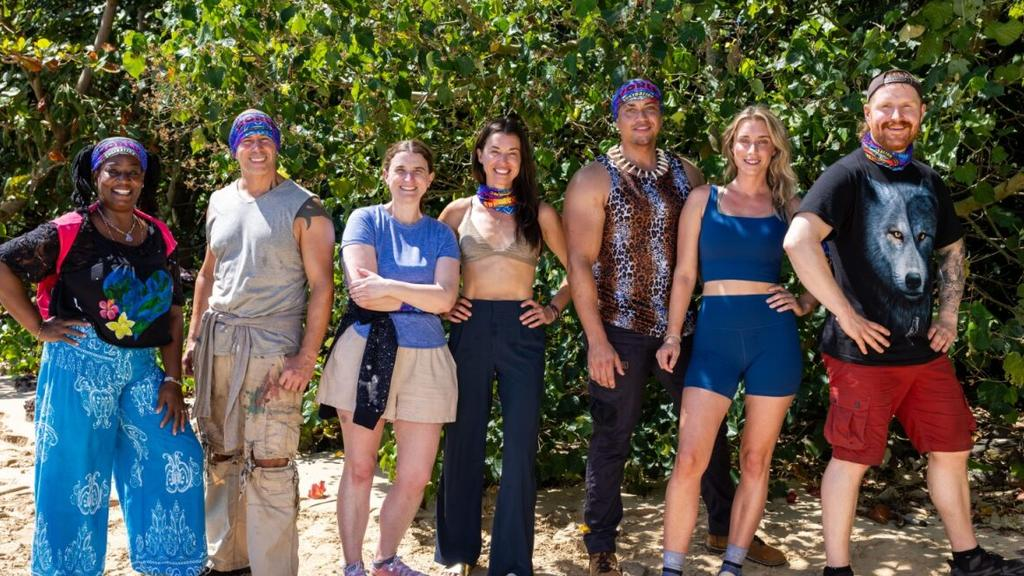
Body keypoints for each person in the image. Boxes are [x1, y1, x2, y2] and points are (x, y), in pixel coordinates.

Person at [783, 69, 1024, 576]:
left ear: (921, 115)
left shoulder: (928, 180)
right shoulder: (847, 176)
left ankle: (968, 559)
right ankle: (837, 569)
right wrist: (845, 314)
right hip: (862, 356)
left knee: (952, 449)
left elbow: (952, 249)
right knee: (851, 459)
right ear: (867, 113)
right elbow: (798, 240)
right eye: (886, 107)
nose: (896, 117)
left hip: (924, 354)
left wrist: (949, 316)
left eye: (907, 108)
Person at [0, 137, 206, 575]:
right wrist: (37, 327)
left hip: (141, 370)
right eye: (114, 171)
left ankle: (169, 566)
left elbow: (172, 311)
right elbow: (2, 265)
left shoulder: (158, 235)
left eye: (133, 173)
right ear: (96, 176)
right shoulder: (70, 230)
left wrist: (173, 380)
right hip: (78, 366)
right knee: (75, 477)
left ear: (143, 180)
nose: (123, 180)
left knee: (177, 454)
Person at [656, 106, 816, 576]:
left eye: (762, 142)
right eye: (745, 140)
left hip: (773, 340)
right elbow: (684, 274)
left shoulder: (789, 205)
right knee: (690, 458)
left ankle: (733, 566)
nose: (753, 150)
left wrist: (805, 301)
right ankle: (671, 569)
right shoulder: (703, 199)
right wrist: (672, 334)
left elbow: (828, 259)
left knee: (755, 459)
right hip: (714, 341)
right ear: (731, 146)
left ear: (774, 149)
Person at [563, 78, 707, 576]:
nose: (641, 117)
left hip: (680, 328)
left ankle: (727, 527)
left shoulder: (687, 173)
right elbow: (579, 264)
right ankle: (601, 546)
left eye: (650, 108)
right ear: (616, 119)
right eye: (631, 110)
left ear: (661, 116)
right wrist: (596, 341)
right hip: (618, 328)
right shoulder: (593, 179)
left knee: (706, 430)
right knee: (611, 437)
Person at [184, 110, 335, 575]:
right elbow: (207, 274)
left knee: (271, 461)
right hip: (219, 345)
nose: (256, 148)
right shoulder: (219, 201)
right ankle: (227, 562)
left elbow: (323, 286)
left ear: (276, 147)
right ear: (234, 149)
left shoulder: (305, 208)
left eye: (264, 140)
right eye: (246, 140)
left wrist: (306, 357)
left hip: (273, 351)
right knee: (221, 454)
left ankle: (272, 569)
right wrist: (193, 337)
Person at [433, 116, 571, 576]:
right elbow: (427, 272)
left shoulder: (540, 213)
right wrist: (444, 307)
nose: (503, 161)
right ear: (480, 155)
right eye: (495, 151)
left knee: (519, 447)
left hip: (521, 330)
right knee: (462, 439)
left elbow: (578, 268)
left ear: (522, 159)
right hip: (469, 328)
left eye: (513, 153)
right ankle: (459, 553)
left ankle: (511, 562)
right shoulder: (457, 212)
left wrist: (552, 309)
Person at [317, 139, 460, 576]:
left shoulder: (441, 234)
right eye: (400, 169)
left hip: (428, 358)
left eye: (418, 171)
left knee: (415, 476)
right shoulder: (365, 220)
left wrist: (392, 288)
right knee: (360, 468)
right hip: (367, 352)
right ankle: (353, 566)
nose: (409, 179)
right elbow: (363, 293)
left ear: (430, 180)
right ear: (386, 174)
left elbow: (447, 298)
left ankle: (385, 560)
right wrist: (422, 298)